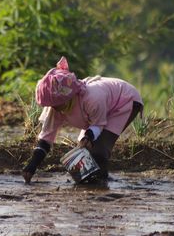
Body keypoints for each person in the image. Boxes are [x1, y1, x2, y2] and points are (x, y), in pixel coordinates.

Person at [22, 56, 143, 184]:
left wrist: (89, 137)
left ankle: (101, 182)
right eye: (53, 105)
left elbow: (98, 124)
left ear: (69, 97)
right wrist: (32, 165)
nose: (56, 109)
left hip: (124, 100)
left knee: (98, 149)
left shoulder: (92, 97)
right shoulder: (55, 107)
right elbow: (46, 139)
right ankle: (89, 182)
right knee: (83, 152)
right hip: (98, 111)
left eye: (59, 105)